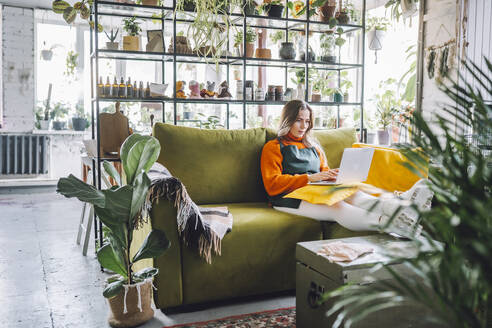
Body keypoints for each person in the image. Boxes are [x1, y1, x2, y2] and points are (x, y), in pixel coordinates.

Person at [260, 100, 433, 237]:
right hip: (287, 197)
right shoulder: (274, 147)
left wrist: (333, 177)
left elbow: (324, 172)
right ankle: (394, 224)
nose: (304, 126)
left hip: (315, 190)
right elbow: (272, 184)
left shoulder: (313, 147)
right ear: (287, 119)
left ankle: (402, 206)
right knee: (336, 206)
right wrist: (310, 178)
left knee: (354, 193)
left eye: (307, 121)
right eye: (298, 120)